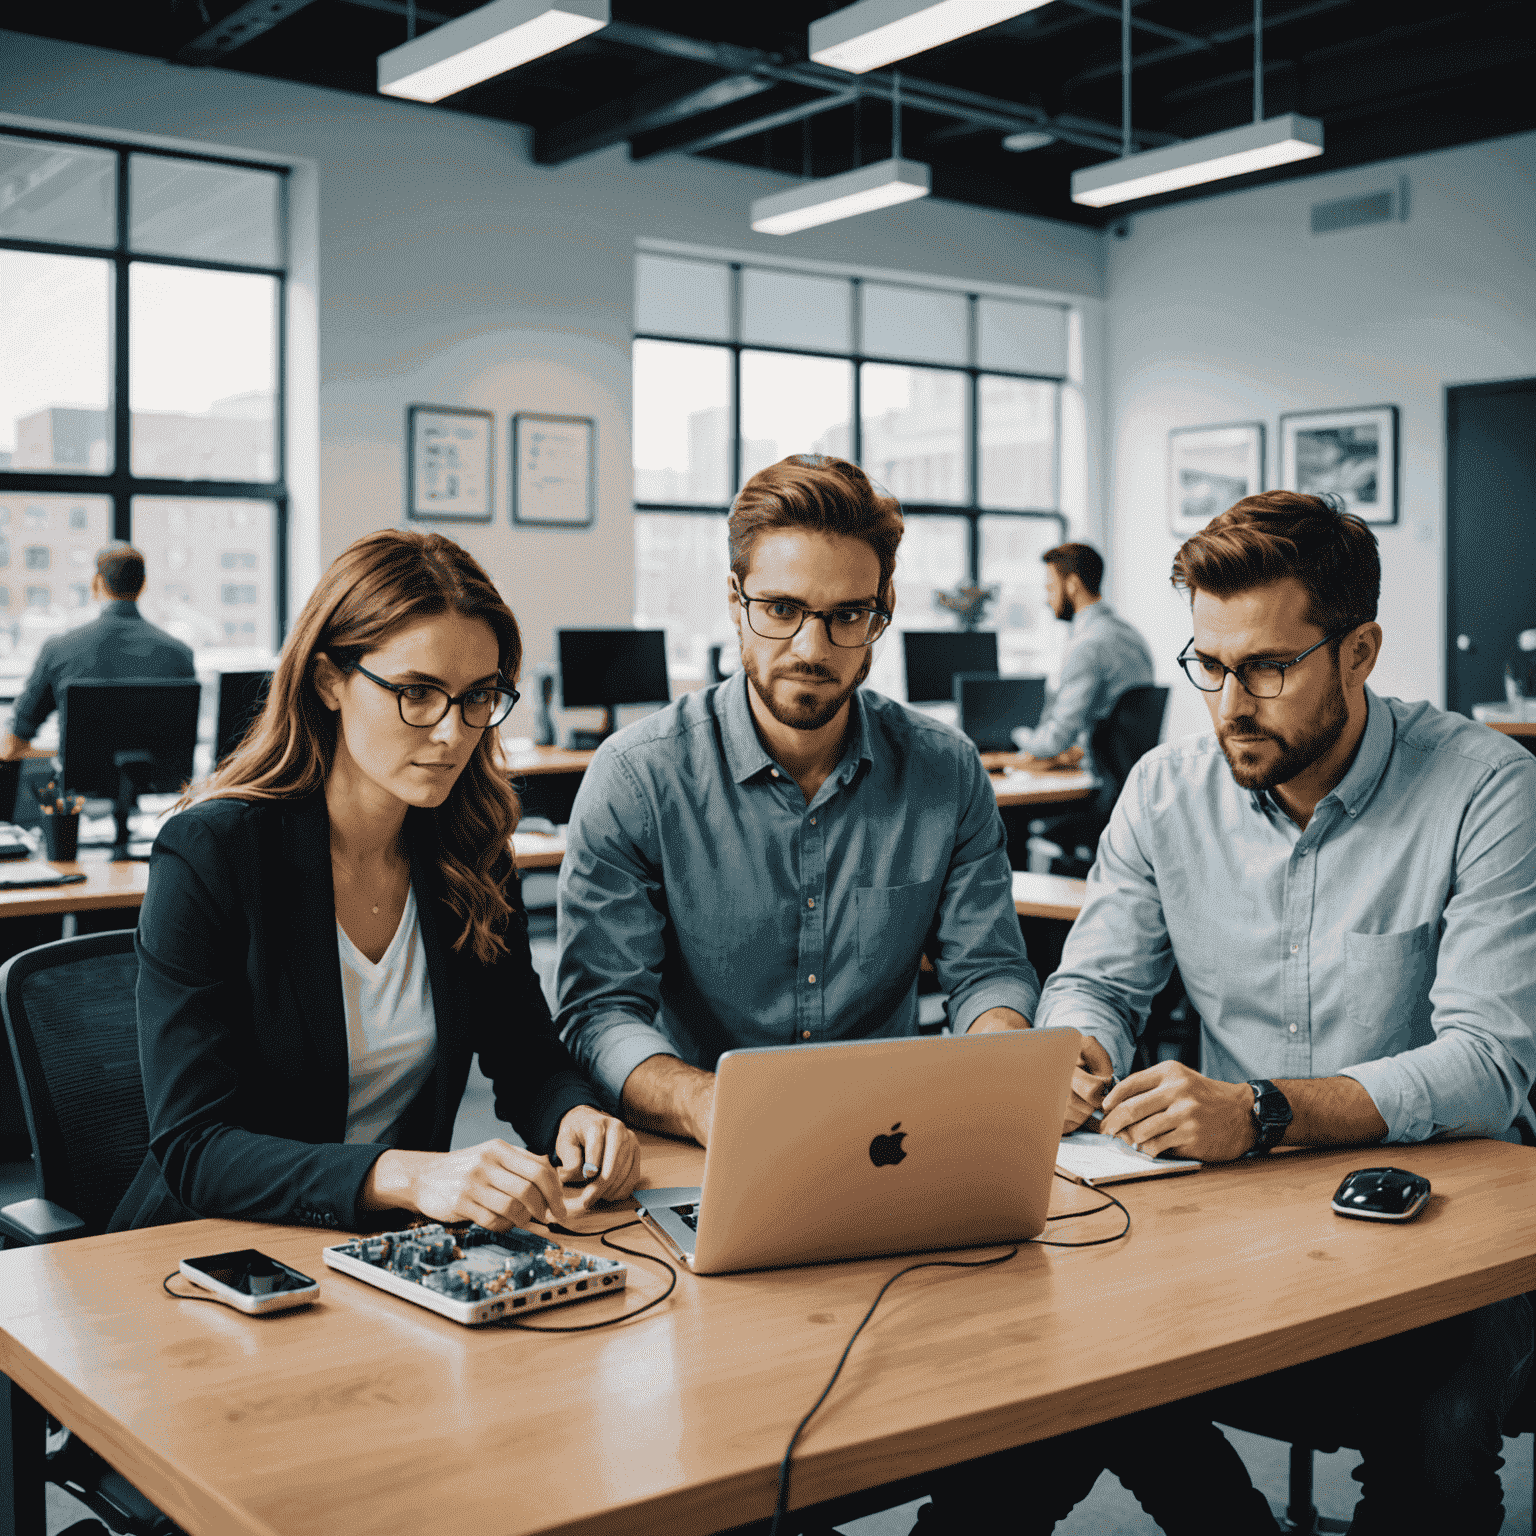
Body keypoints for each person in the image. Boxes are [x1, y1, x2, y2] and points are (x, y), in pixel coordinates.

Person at [1030, 491, 1536, 1533]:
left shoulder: (1487, 788)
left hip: (1452, 1216)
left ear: (1359, 653)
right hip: (1235, 1215)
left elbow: (1489, 1065)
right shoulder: (1164, 791)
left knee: (1433, 1426)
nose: (1228, 704)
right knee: (1071, 1370)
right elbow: (1099, 982)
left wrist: (1262, 1111)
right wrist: (1077, 1048)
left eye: (1267, 667)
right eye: (1208, 665)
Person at [111, 529, 640, 1234]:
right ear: (330, 680)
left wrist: (575, 1116)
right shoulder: (212, 853)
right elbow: (195, 1146)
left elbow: (526, 1057)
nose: (454, 733)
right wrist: (405, 1172)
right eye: (417, 693)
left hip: (385, 1255)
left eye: (478, 696)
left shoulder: (469, 847)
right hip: (210, 1253)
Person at [555, 454, 1038, 1147]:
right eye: (782, 609)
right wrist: (704, 1102)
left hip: (893, 1143)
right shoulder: (638, 779)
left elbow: (987, 970)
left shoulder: (946, 772)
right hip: (698, 1150)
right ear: (735, 600)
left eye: (847, 616)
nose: (812, 648)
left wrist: (998, 1058)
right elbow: (599, 1010)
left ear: (882, 614)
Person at [0, 543, 195, 763]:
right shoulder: (180, 655)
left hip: (81, 791)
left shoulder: (60, 649)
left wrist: (67, 758)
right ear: (143, 585)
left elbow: (12, 745)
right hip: (160, 790)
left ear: (97, 583)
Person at [1010, 541, 1153, 768]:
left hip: (1097, 778)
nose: (1047, 600)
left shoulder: (1086, 645)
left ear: (1072, 585)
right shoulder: (1131, 635)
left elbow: (1058, 737)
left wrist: (1018, 736)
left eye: (1050, 588)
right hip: (1127, 771)